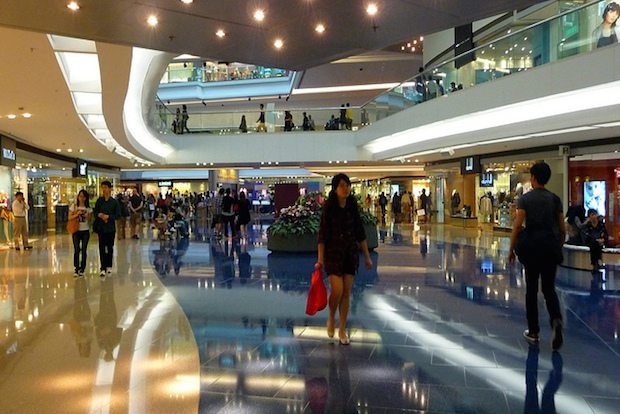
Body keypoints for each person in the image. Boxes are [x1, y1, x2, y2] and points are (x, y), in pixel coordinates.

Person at [508, 162, 564, 351]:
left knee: (531, 290)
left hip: (531, 248)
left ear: (533, 178)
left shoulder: (525, 199)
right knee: (549, 289)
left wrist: (511, 249)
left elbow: (517, 225)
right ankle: (556, 319)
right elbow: (562, 228)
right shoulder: (555, 199)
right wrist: (559, 244)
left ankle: (534, 331)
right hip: (550, 248)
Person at [317, 173, 373, 345]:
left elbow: (360, 233)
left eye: (347, 185)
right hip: (333, 254)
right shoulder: (329, 209)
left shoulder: (352, 207)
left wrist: (367, 257)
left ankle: (342, 329)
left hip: (350, 254)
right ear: (335, 189)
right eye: (341, 185)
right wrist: (320, 260)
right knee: (337, 290)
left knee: (346, 292)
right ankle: (331, 316)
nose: (345, 188)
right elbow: (322, 236)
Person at [93, 181, 121, 278]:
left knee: (109, 248)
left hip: (110, 228)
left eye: (105, 187)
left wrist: (108, 217)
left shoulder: (114, 202)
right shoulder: (99, 201)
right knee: (101, 247)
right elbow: (95, 211)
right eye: (102, 188)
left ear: (109, 189)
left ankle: (109, 265)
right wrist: (100, 215)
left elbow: (118, 215)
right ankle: (102, 267)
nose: (104, 190)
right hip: (101, 228)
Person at [69, 190, 92, 277]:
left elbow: (90, 220)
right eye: (80, 196)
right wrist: (77, 214)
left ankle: (82, 268)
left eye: (83, 196)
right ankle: (76, 268)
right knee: (77, 249)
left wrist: (87, 216)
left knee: (84, 249)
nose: (81, 198)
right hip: (76, 230)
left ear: (86, 198)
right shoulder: (74, 207)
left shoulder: (88, 208)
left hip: (85, 230)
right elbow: (69, 217)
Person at [581, 208, 609, 272]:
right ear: (589, 217)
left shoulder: (601, 225)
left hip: (600, 242)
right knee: (594, 244)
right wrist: (596, 240)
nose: (594, 216)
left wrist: (603, 240)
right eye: (592, 215)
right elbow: (586, 236)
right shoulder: (588, 226)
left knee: (596, 244)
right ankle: (598, 261)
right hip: (591, 241)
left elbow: (606, 235)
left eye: (595, 214)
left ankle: (594, 264)